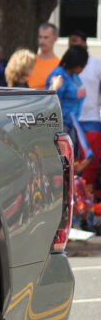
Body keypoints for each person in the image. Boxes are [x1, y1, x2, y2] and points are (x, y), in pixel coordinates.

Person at [69, 30, 101, 202]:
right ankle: (75, 205)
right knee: (73, 166)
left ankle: (87, 207)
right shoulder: (65, 68)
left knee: (90, 166)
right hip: (71, 122)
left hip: (91, 121)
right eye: (71, 42)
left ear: (85, 43)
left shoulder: (97, 65)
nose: (74, 45)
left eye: (76, 41)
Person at [47, 45, 90, 168]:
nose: (83, 68)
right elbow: (52, 100)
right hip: (61, 127)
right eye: (82, 65)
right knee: (63, 165)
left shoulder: (75, 76)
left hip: (73, 125)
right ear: (75, 62)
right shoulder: (58, 76)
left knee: (72, 163)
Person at [27, 22, 60, 89]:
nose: (41, 41)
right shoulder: (29, 61)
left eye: (46, 37)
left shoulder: (59, 65)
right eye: (40, 37)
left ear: (55, 39)